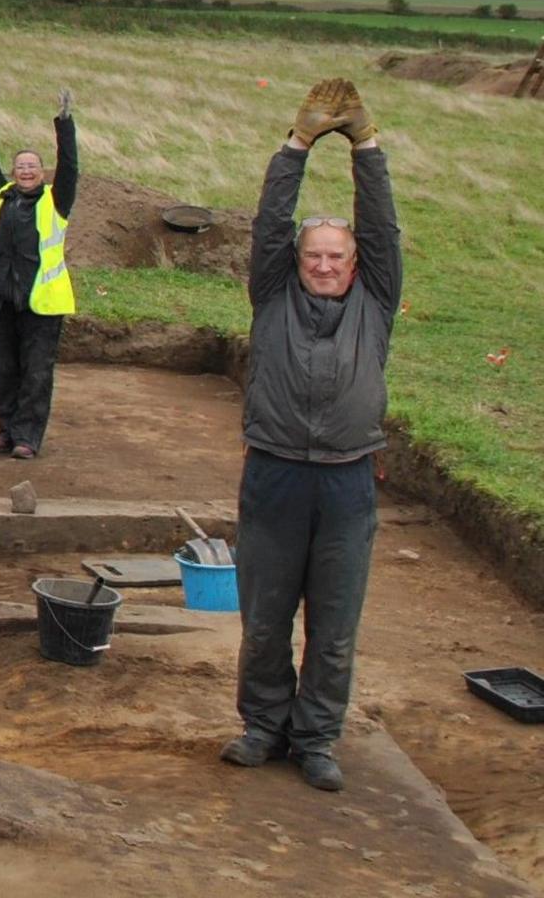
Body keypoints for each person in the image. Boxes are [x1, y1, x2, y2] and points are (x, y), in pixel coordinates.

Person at [222, 77, 396, 794]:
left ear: (355, 267)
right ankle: (264, 726)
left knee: (334, 627)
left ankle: (317, 738)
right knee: (264, 620)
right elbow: (270, 222)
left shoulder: (376, 301)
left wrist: (366, 148)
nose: (324, 265)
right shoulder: (273, 294)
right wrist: (296, 147)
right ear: (297, 263)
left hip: (348, 482)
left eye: (336, 256)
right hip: (275, 475)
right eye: (313, 255)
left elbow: (382, 228)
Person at [0, 86, 78, 460]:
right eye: (21, 166)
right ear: (13, 173)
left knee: (36, 372)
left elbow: (71, 168)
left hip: (41, 304)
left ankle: (28, 436)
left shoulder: (55, 200)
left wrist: (64, 123)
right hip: (1, 298)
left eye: (33, 166)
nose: (27, 170)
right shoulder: (0, 196)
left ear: (42, 173)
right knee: (5, 368)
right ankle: (6, 430)